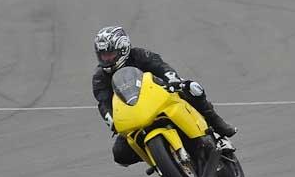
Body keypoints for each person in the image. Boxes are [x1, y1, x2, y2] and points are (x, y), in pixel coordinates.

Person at [92, 25, 237, 167]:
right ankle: (159, 157)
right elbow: (103, 102)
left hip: (162, 96)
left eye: (110, 54)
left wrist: (173, 80)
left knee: (193, 89)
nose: (106, 59)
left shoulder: (140, 55)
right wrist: (111, 120)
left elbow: (161, 67)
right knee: (120, 154)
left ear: (123, 48)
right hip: (136, 114)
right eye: (103, 55)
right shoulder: (100, 77)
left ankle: (218, 126)